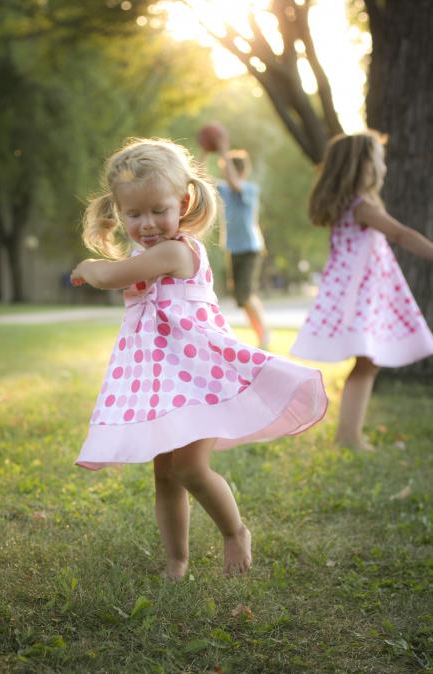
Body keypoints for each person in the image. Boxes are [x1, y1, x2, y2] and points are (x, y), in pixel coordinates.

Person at [70, 138, 327, 580]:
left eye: (158, 209)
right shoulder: (145, 252)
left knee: (189, 467)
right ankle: (177, 560)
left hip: (195, 379)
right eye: (134, 214)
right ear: (118, 210)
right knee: (165, 475)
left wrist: (85, 268)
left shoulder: (176, 251)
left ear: (184, 201)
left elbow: (111, 277)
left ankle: (234, 532)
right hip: (159, 382)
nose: (147, 224)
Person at [291, 130, 433, 451]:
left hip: (354, 292)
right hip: (359, 295)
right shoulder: (361, 207)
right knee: (367, 362)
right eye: (379, 161)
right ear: (364, 167)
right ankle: (349, 436)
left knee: (368, 363)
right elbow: (400, 233)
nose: (384, 168)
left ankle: (350, 434)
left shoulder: (347, 207)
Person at [216, 144, 271, 349]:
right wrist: (205, 151)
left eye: (227, 168)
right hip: (233, 248)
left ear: (239, 171)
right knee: (240, 297)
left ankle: (265, 334)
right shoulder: (224, 189)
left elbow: (235, 183)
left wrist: (223, 151)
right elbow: (200, 179)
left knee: (246, 294)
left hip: (250, 247)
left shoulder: (249, 189)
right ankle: (261, 335)